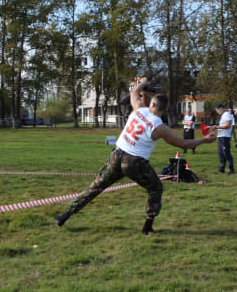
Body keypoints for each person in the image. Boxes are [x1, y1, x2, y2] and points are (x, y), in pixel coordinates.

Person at [54, 77, 216, 235]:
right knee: (155, 188)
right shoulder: (161, 128)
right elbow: (183, 144)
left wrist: (142, 83)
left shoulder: (138, 108)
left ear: (151, 104)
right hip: (134, 162)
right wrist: (204, 140)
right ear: (163, 110)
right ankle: (147, 227)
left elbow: (134, 92)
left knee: (95, 187)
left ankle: (65, 215)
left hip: (117, 155)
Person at [212, 103, 235, 175]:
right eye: (216, 110)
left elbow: (227, 125)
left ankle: (231, 170)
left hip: (225, 137)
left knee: (226, 153)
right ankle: (221, 169)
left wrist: (217, 127)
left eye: (218, 110)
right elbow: (222, 126)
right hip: (220, 136)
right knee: (221, 154)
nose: (217, 111)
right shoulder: (222, 116)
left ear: (222, 108)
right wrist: (216, 129)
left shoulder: (227, 114)